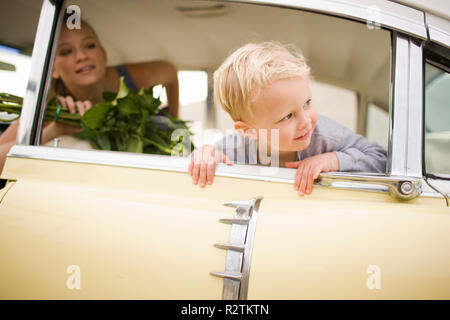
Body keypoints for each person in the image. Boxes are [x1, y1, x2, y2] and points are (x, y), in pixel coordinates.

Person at [188, 42, 386, 196]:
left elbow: (381, 159)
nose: (305, 121)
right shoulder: (233, 149)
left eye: (307, 103)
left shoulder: (325, 135)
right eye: (287, 116)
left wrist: (333, 160)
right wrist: (205, 155)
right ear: (248, 131)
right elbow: (192, 168)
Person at [0, 18, 180, 173]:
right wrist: (54, 130)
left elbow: (170, 72)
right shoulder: (48, 108)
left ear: (104, 55)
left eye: (89, 46)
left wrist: (172, 121)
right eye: (66, 52)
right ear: (53, 69)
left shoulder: (128, 77)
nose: (81, 56)